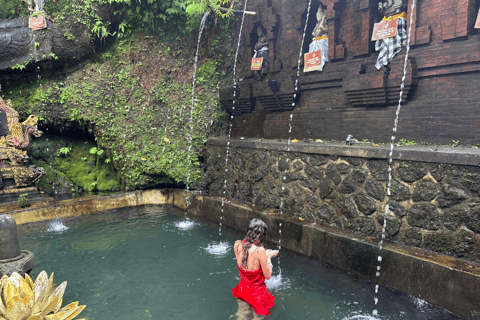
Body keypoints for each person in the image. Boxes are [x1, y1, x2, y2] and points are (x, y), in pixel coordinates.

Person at [232, 218, 279, 318]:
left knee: (241, 316)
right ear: (261, 235)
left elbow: (243, 264)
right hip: (257, 295)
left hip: (242, 290)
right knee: (257, 318)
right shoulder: (259, 251)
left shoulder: (237, 244)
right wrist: (268, 257)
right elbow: (268, 276)